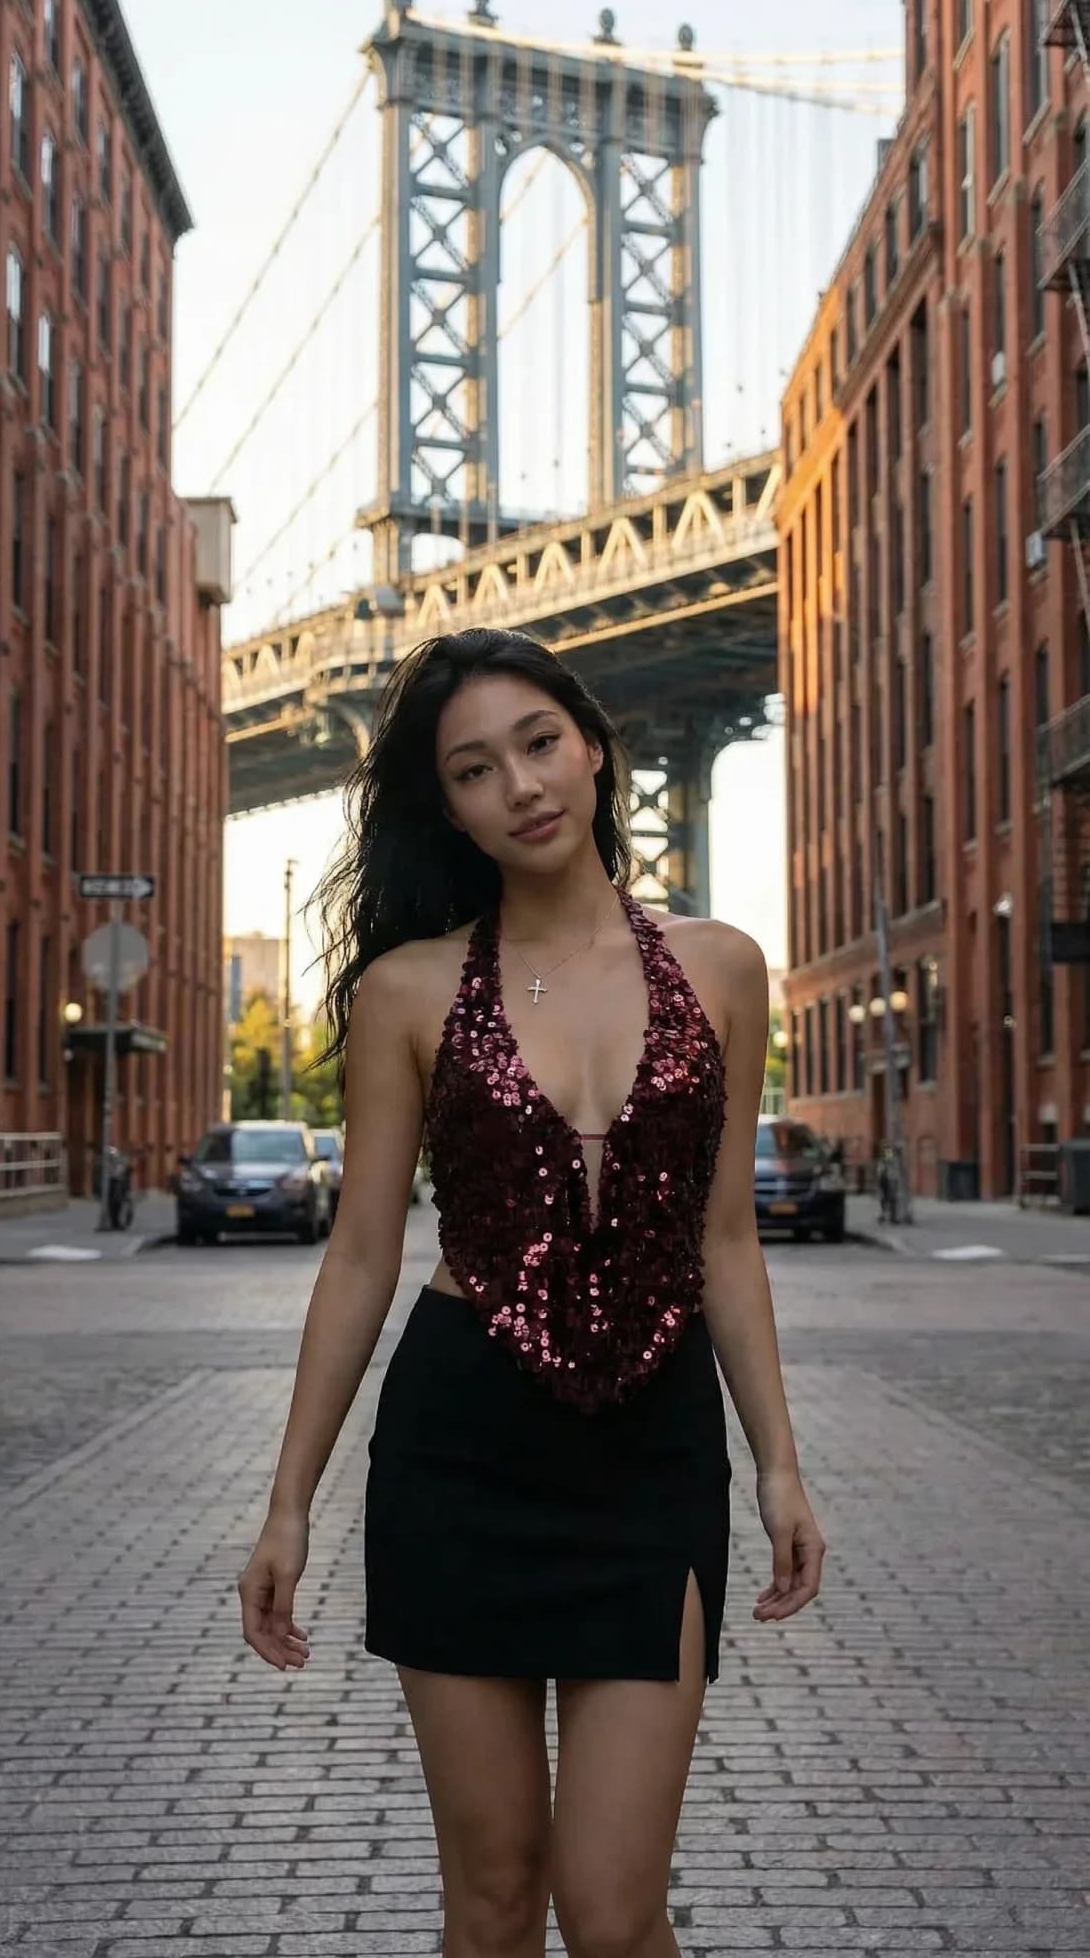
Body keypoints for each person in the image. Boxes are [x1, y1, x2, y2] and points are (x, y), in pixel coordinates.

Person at [238, 627, 825, 1958]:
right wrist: (287, 1506)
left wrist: (781, 1466)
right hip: (461, 1457)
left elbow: (725, 1240)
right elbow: (361, 1258)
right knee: (495, 1902)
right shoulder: (406, 990)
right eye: (474, 769)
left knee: (614, 1915)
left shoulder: (725, 966)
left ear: (595, 744)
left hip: (651, 1457)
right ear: (448, 808)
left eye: (539, 741)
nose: (521, 784)